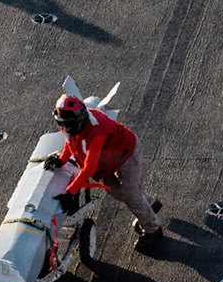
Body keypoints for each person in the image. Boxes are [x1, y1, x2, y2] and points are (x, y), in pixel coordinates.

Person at [42, 94, 163, 251]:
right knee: (114, 190)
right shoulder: (73, 125)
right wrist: (61, 160)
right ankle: (150, 203)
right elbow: (71, 141)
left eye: (69, 125)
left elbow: (89, 168)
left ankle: (153, 230)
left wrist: (70, 192)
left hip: (127, 154)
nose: (67, 128)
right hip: (109, 158)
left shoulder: (97, 132)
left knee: (132, 197)